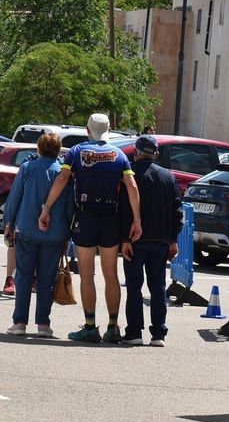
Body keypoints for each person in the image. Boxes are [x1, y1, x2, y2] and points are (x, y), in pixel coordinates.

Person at [38, 112, 142, 344]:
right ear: (109, 130)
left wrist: (47, 207)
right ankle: (113, 327)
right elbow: (132, 185)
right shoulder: (119, 154)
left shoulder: (76, 152)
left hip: (85, 217)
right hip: (111, 218)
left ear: (88, 130)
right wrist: (137, 219)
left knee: (87, 275)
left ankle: (90, 326)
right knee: (111, 274)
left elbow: (62, 179)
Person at [1, 132, 74, 337]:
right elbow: (70, 206)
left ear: (39, 149)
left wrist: (8, 223)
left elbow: (14, 198)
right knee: (47, 279)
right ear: (58, 151)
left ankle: (19, 322)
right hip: (55, 233)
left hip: (26, 229)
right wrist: (68, 233)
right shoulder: (64, 174)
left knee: (23, 276)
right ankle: (43, 324)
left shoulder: (27, 168)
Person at [119, 135, 183, 346]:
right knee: (157, 288)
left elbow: (123, 210)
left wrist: (124, 239)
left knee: (134, 287)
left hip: (135, 240)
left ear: (136, 152)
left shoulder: (129, 175)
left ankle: (134, 332)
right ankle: (158, 334)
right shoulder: (168, 177)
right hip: (161, 240)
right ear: (155, 155)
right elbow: (177, 211)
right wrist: (173, 239)